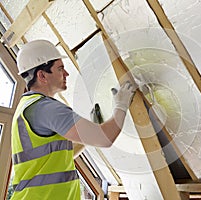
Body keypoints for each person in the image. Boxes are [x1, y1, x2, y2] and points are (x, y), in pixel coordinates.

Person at [10, 39, 136, 199]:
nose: (66, 73)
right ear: (42, 75)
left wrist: (88, 134)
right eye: (60, 68)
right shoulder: (47, 109)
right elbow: (105, 138)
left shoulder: (27, 107)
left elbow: (59, 157)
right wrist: (121, 105)